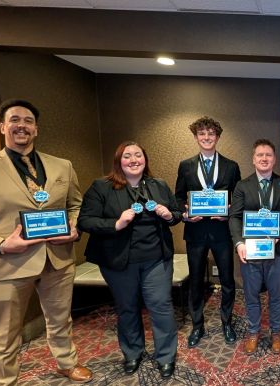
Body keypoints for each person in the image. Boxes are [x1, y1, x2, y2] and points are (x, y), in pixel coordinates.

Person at [0, 99, 92, 385]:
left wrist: (74, 226)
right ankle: (3, 380)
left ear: (35, 129)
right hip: (9, 263)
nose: (21, 126)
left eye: (27, 121)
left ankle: (66, 363)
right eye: (14, 120)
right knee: (5, 332)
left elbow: (76, 204)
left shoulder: (62, 166)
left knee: (61, 320)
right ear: (3, 127)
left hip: (57, 259)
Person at [77, 141, 181, 378]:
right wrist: (116, 223)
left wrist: (169, 215)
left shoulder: (159, 185)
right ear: (119, 161)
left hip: (156, 258)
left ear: (145, 160)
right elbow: (85, 220)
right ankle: (133, 352)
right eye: (127, 156)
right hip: (118, 261)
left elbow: (176, 215)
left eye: (138, 155)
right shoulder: (102, 187)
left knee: (161, 305)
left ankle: (166, 356)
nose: (134, 160)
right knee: (127, 308)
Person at [229, 139, 280, 355]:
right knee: (251, 294)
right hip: (251, 250)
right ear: (253, 159)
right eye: (260, 155)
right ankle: (253, 332)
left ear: (274, 159)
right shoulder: (242, 185)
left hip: (277, 250)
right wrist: (239, 243)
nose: (264, 158)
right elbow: (234, 217)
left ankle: (276, 332)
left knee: (276, 294)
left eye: (268, 155)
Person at [174, 116, 241, 348]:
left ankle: (227, 322)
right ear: (196, 137)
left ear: (218, 137)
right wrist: (185, 212)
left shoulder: (232, 166)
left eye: (211, 133)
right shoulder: (186, 165)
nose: (206, 137)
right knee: (195, 280)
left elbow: (238, 199)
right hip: (195, 230)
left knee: (227, 280)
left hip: (222, 231)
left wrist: (230, 212)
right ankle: (197, 325)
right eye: (202, 134)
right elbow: (178, 197)